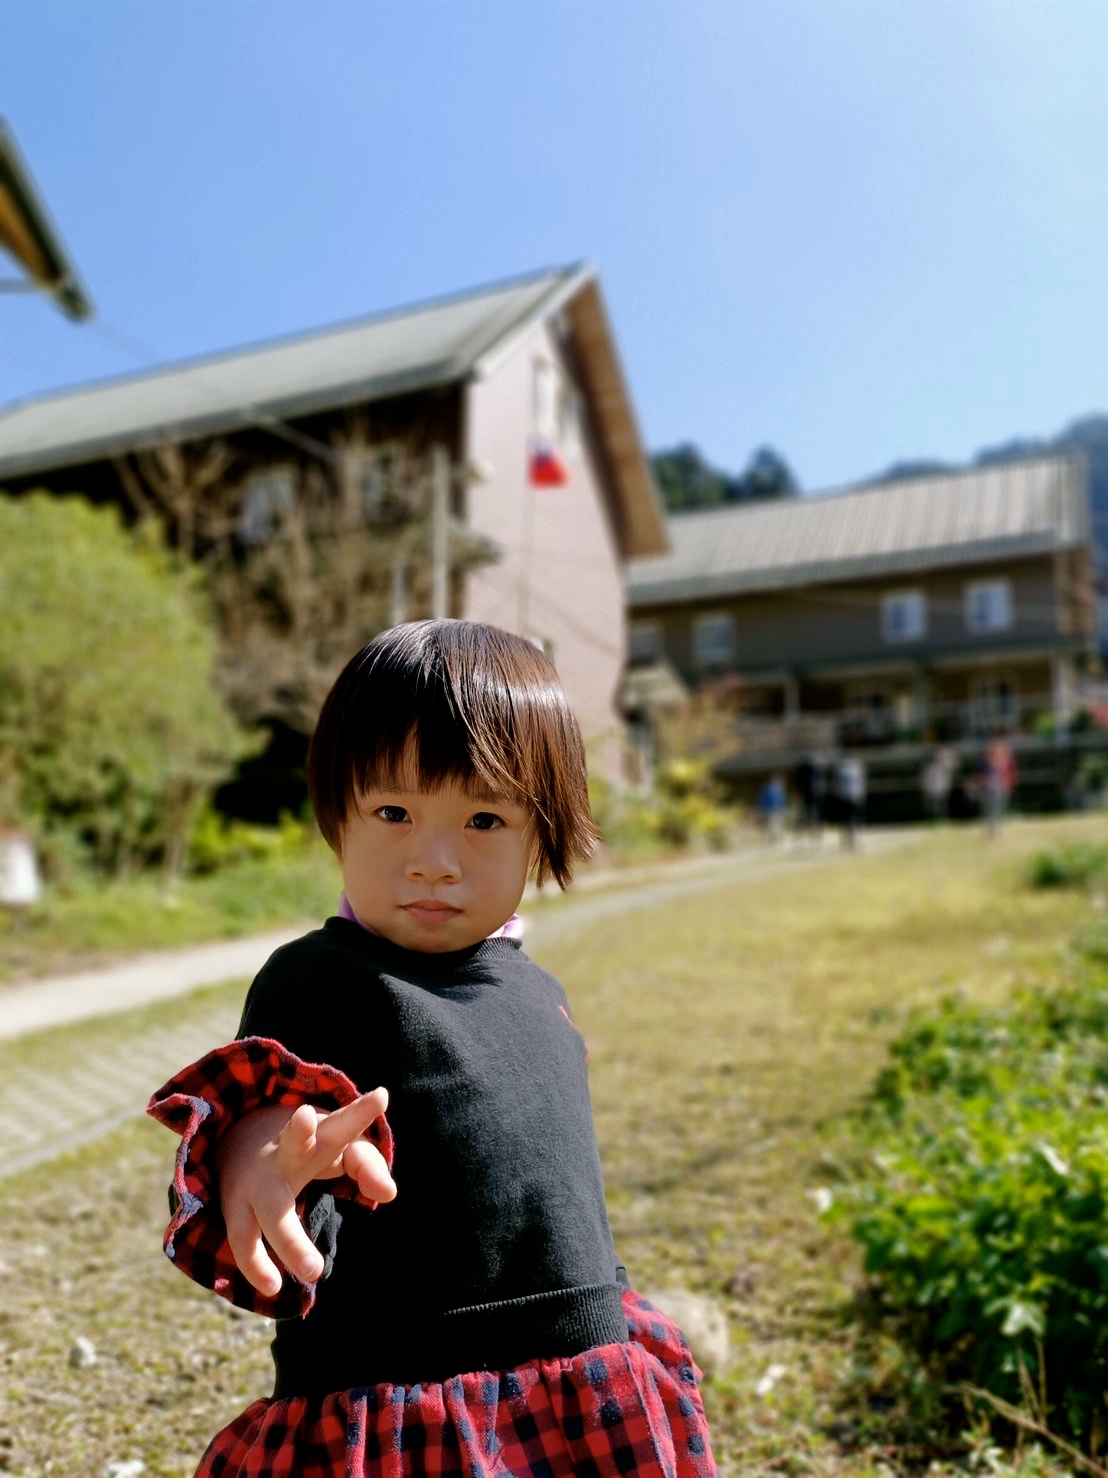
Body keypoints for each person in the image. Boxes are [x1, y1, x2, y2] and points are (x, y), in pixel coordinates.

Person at [148, 620, 717, 1478]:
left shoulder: (539, 990)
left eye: (484, 818)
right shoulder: (321, 981)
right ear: (338, 812)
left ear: (544, 831)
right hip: (409, 1412)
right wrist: (259, 1158)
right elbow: (268, 1101)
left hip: (582, 1383)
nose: (435, 861)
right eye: (394, 812)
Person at [834, 752, 867, 849]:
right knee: (852, 819)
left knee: (847, 819)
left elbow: (839, 785)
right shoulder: (856, 769)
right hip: (853, 797)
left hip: (847, 797)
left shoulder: (844, 770)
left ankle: (848, 838)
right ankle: (852, 838)